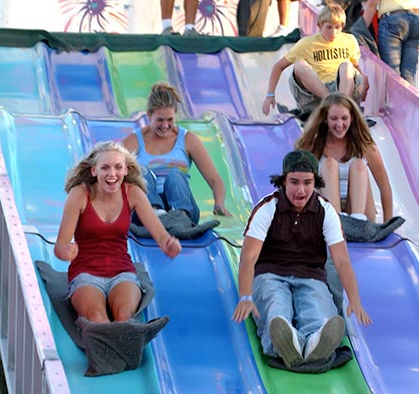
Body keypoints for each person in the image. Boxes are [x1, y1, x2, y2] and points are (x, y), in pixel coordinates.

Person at [231, 150, 372, 369]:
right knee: (275, 305)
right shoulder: (268, 208)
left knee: (318, 308)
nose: (301, 190)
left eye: (307, 182)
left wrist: (354, 299)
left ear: (315, 182)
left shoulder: (325, 211)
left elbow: (342, 260)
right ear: (283, 182)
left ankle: (314, 342)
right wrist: (245, 295)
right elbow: (249, 257)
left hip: (311, 275)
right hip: (270, 272)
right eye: (294, 182)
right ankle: (285, 344)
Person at [54, 141, 182, 324]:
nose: (112, 174)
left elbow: (161, 236)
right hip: (85, 273)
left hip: (121, 273)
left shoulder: (133, 193)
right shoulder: (80, 194)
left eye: (118, 167)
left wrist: (169, 244)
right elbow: (60, 245)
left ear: (125, 171)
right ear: (94, 171)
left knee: (124, 317)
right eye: (105, 168)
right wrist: (65, 251)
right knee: (98, 319)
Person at [121, 82, 230, 226]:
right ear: (149, 115)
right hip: (144, 207)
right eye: (160, 120)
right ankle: (154, 212)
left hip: (181, 204)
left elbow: (215, 180)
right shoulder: (135, 140)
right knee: (141, 172)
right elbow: (110, 168)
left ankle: (180, 216)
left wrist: (219, 204)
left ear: (176, 116)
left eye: (170, 120)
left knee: (175, 175)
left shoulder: (187, 140)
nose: (165, 125)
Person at [294, 93, 393, 222]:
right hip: (326, 208)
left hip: (360, 207)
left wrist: (388, 224)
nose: (339, 124)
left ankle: (358, 220)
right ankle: (337, 219)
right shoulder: (313, 145)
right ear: (325, 119)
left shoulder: (365, 146)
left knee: (358, 164)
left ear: (352, 118)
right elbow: (296, 183)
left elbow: (384, 186)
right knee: (329, 164)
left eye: (344, 118)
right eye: (334, 118)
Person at [262, 4, 368, 117]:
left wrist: (364, 81)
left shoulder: (349, 41)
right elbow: (278, 67)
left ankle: (340, 105)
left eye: (337, 27)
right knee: (299, 66)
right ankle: (333, 104)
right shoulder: (307, 43)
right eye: (329, 27)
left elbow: (355, 67)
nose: (333, 33)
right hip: (316, 94)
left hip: (342, 90)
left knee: (347, 66)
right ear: (320, 25)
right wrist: (270, 95)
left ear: (342, 26)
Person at [368, 0, 419, 85]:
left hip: (393, 19)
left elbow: (372, 4)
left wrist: (359, 28)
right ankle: (407, 98)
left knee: (393, 76)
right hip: (417, 18)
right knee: (408, 76)